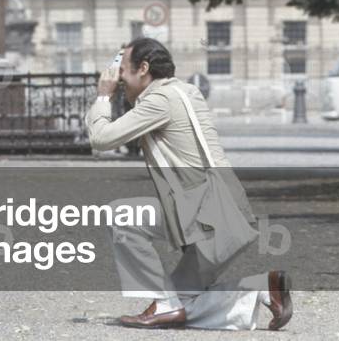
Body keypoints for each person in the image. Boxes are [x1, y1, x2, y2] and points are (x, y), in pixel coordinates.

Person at [86, 38, 293, 330]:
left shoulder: (160, 101)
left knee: (120, 216)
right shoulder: (185, 91)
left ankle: (165, 305)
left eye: (123, 72)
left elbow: (101, 139)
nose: (118, 80)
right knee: (179, 302)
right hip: (222, 213)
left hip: (205, 217)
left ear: (144, 68)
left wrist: (104, 96)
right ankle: (263, 289)